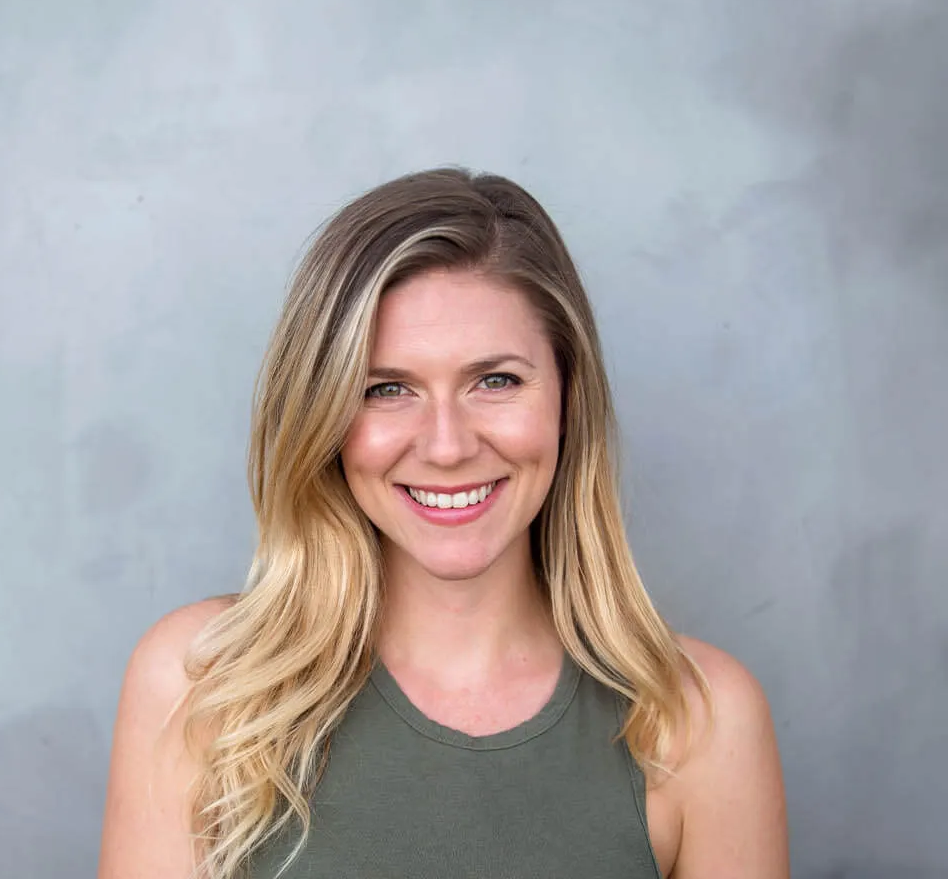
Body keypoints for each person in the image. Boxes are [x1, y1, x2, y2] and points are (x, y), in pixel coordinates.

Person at [96, 168, 789, 878]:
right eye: (386, 389)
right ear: (323, 418)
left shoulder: (702, 720)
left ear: (568, 398)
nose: (447, 446)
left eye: (496, 381)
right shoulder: (202, 685)